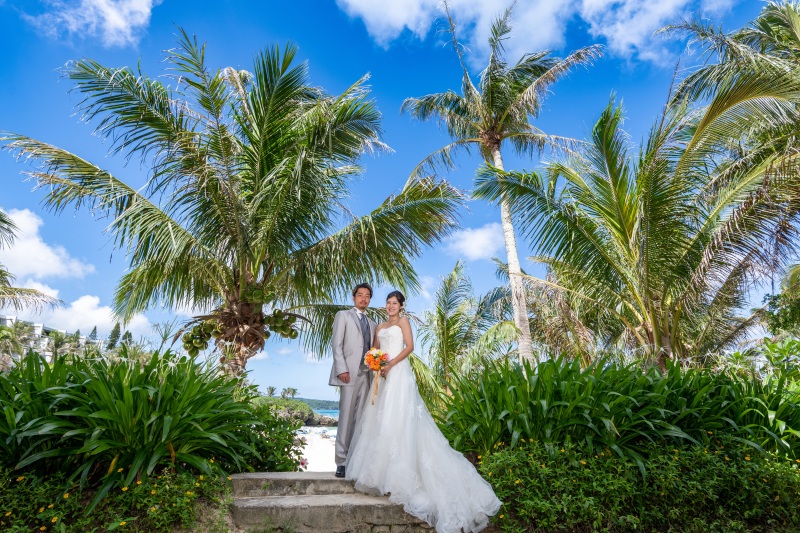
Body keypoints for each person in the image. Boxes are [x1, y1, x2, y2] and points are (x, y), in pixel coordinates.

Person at [346, 290, 501, 533]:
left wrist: (390, 364)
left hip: (398, 374)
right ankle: (381, 476)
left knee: (400, 421)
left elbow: (410, 347)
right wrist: (375, 361)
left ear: (401, 306)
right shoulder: (381, 326)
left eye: (394, 303)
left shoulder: (403, 322)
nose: (390, 306)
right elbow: (374, 349)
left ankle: (399, 478)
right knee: (382, 422)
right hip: (383, 376)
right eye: (387, 303)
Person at [329, 282, 376, 478]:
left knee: (360, 420)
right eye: (360, 295)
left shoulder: (373, 323)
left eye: (367, 296)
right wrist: (342, 369)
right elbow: (336, 344)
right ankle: (341, 461)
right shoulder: (343, 316)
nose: (363, 298)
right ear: (354, 297)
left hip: (367, 374)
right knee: (346, 417)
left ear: (369, 299)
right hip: (348, 372)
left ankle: (354, 461)